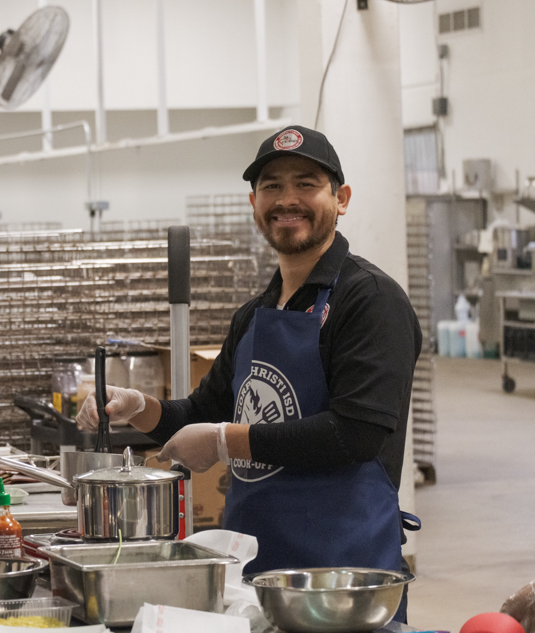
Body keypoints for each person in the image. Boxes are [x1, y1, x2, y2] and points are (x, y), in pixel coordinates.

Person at [78, 125, 421, 620]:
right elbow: (200, 413)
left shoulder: (369, 300)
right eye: (272, 187)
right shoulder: (254, 314)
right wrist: (138, 407)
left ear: (341, 199)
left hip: (343, 578)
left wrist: (223, 441)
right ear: (254, 203)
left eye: (306, 184)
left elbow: (357, 433)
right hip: (256, 575)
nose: (288, 200)